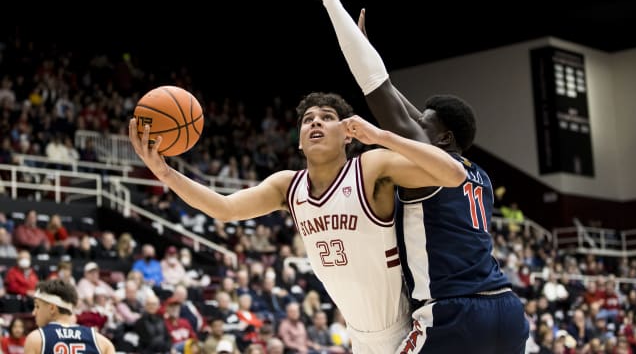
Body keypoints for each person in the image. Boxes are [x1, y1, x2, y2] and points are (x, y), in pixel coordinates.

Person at [306, 0, 529, 353]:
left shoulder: (428, 165)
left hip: (455, 314)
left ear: (443, 137)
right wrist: (367, 49)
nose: (412, 123)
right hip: (506, 310)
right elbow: (396, 98)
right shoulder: (476, 175)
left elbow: (378, 91)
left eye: (423, 124)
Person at [128, 91, 465, 354]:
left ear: (349, 133)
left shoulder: (370, 168)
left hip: (407, 327)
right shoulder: (288, 186)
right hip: (358, 334)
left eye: (327, 117)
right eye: (308, 120)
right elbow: (224, 208)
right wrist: (164, 173)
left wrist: (383, 137)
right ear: (300, 139)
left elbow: (452, 174)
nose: (315, 123)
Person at [23, 278, 115, 354]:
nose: (34, 312)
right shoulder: (103, 343)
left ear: (52, 308)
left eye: (37, 306)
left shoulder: (36, 339)